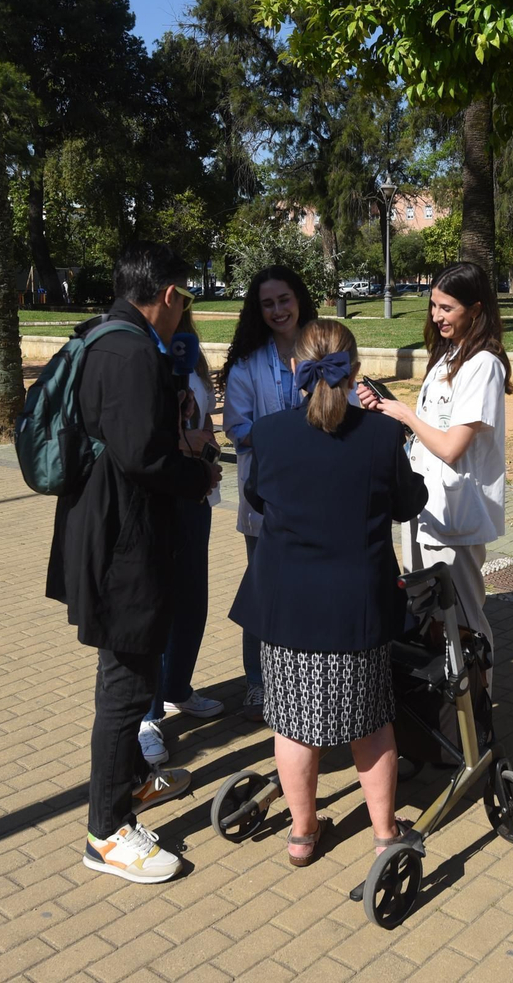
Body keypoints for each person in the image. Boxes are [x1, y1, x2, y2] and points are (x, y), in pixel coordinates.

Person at [45, 242, 219, 883]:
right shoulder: (130, 351)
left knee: (135, 679)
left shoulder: (108, 335)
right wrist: (199, 468)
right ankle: (107, 831)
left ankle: (135, 781)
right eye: (187, 298)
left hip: (121, 537)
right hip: (124, 549)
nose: (186, 311)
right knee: (124, 691)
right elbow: (146, 459)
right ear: (170, 294)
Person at [229, 320, 429, 865]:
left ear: (297, 368)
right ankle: (385, 833)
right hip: (355, 604)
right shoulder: (383, 436)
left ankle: (301, 833)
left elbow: (259, 496)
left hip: (287, 604)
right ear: (354, 370)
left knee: (293, 726)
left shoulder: (269, 434)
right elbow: (409, 502)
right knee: (371, 723)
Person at [360, 262, 511, 664]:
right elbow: (430, 435)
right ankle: (447, 709)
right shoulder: (448, 357)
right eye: (433, 306)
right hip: (424, 507)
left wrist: (405, 414)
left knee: (464, 620)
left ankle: (475, 717)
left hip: (455, 517)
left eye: (447, 308)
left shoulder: (483, 366)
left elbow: (451, 448)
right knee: (429, 617)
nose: (437, 316)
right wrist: (389, 414)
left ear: (475, 309)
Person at [221, 265, 320, 719]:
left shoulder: (324, 350)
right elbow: (234, 426)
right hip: (265, 496)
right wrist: (284, 434)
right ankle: (259, 681)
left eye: (284, 299)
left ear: (298, 299)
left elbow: (348, 404)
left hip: (318, 497)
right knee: (263, 588)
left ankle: (307, 674)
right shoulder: (247, 363)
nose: (278, 310)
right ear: (257, 310)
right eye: (268, 303)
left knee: (311, 587)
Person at [138, 308, 226, 766]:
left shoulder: (192, 361)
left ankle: (176, 688)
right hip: (158, 500)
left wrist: (202, 446)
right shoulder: (141, 357)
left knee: (193, 600)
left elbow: (207, 427)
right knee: (159, 605)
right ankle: (147, 715)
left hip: (197, 494)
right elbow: (151, 440)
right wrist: (191, 444)